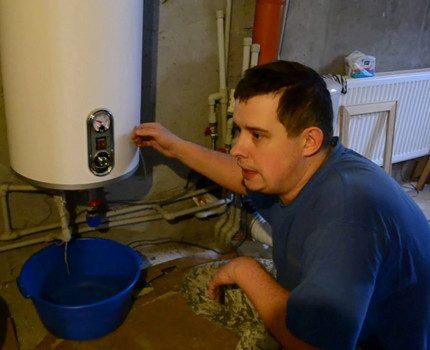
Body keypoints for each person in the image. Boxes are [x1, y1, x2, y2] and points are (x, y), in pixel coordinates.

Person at [131, 60, 430, 349]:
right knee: (202, 280)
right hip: (352, 312)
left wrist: (247, 271)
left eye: (257, 135)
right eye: (239, 131)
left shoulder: (346, 218)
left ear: (309, 141)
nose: (237, 148)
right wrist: (175, 147)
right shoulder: (314, 165)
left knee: (216, 287)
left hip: (374, 341)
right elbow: (239, 176)